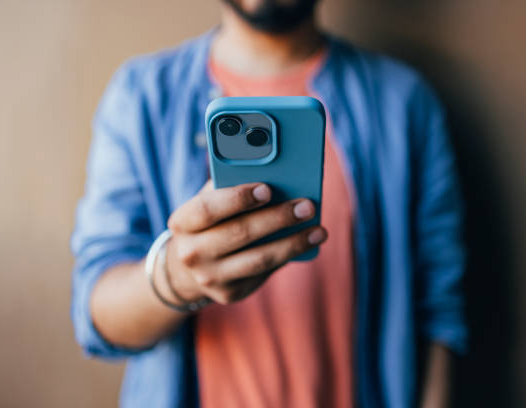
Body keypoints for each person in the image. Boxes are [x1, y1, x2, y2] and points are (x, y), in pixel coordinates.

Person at [71, 0, 467, 407]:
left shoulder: (405, 104)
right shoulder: (140, 97)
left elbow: (439, 310)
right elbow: (96, 314)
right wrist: (176, 277)